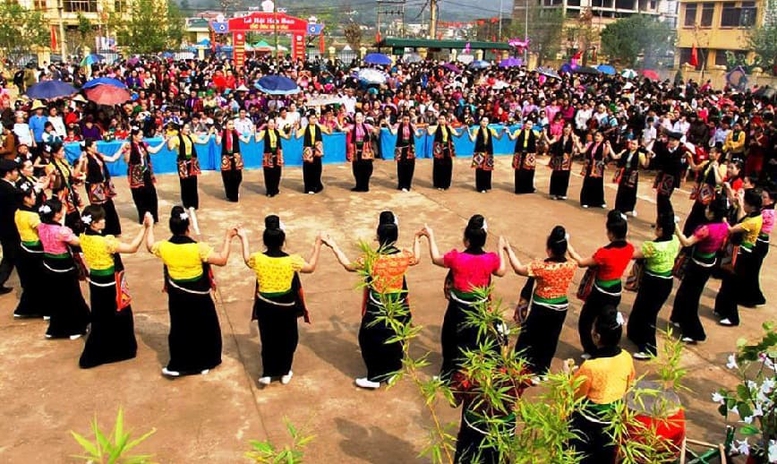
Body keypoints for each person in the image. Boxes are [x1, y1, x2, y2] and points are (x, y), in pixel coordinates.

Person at [323, 211, 422, 389]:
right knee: (395, 338)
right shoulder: (403, 257)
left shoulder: (371, 259)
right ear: (396, 237)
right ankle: (393, 371)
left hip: (377, 308)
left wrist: (333, 245)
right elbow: (417, 257)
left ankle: (375, 377)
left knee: (369, 340)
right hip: (397, 307)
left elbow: (348, 266)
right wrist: (418, 238)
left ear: (377, 237)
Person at [146, 206, 236, 377]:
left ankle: (181, 363)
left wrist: (148, 226)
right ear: (188, 227)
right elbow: (222, 260)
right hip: (198, 295)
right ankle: (205, 362)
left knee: (181, 328)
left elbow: (150, 246)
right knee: (203, 328)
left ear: (171, 227)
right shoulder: (198, 248)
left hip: (177, 296)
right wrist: (228, 238)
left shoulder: (164, 247)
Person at [418, 215, 507, 380]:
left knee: (451, 339)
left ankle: (448, 375)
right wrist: (501, 249)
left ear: (466, 240)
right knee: (476, 339)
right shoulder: (490, 259)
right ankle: (472, 374)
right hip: (479, 307)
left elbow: (436, 258)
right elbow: (501, 271)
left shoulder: (457, 258)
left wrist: (430, 237)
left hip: (458, 307)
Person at [237, 215, 322, 386]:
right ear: (283, 241)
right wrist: (317, 245)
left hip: (264, 305)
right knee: (288, 338)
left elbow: (247, 259)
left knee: (268, 338)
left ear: (264, 241)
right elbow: (310, 267)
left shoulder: (258, 259)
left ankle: (268, 372)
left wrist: (243, 237)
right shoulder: (291, 261)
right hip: (285, 306)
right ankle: (284, 370)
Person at [78, 206, 152, 368]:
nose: (104, 221)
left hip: (96, 282)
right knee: (120, 315)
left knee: (101, 316)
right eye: (100, 220)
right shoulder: (106, 242)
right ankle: (122, 349)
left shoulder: (83, 237)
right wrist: (145, 228)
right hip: (111, 283)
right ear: (94, 225)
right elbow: (132, 248)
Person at [564, 307, 635, 464]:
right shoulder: (626, 357)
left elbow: (576, 395)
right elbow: (629, 383)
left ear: (597, 336)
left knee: (580, 456)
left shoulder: (591, 366)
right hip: (613, 419)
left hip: (590, 421)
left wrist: (568, 376)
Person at [505, 226, 577, 376]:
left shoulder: (541, 267)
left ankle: (526, 368)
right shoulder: (571, 265)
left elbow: (518, 269)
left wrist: (508, 250)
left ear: (549, 249)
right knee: (550, 339)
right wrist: (567, 243)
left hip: (542, 308)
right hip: (561, 308)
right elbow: (572, 255)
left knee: (530, 338)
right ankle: (543, 370)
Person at [568, 210, 634, 357]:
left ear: (610, 233)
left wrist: (568, 246)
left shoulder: (604, 253)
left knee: (585, 321)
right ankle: (607, 350)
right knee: (606, 323)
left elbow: (581, 263)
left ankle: (591, 350)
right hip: (616, 291)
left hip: (601, 292)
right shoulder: (630, 249)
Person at [671, 197, 729, 343]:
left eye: (709, 208)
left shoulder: (706, 229)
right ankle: (677, 317)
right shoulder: (724, 225)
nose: (706, 210)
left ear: (713, 213)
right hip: (709, 263)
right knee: (686, 291)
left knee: (690, 297)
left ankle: (693, 332)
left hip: (697, 265)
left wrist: (675, 227)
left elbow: (686, 242)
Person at [626, 213, 680, 359]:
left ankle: (649, 349)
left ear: (661, 230)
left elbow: (634, 254)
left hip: (653, 282)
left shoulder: (652, 247)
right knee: (641, 309)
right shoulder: (674, 240)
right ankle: (635, 335)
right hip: (665, 281)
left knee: (648, 315)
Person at [37, 197, 91, 339]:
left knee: (56, 297)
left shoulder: (41, 227)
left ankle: (56, 329)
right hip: (64, 267)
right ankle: (75, 328)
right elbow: (78, 241)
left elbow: (55, 227)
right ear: (56, 214)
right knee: (71, 296)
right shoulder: (62, 231)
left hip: (48, 264)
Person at [713, 188, 763, 327]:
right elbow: (741, 219)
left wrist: (722, 218)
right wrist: (740, 205)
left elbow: (731, 229)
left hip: (742, 255)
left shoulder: (752, 221)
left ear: (751, 205)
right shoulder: (753, 215)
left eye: (745, 203)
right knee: (727, 281)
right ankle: (721, 309)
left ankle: (731, 317)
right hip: (736, 251)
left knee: (731, 285)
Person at [13, 182, 47, 317]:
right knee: (40, 282)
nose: (35, 197)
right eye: (32, 195)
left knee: (31, 283)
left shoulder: (18, 212)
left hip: (24, 248)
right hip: (35, 251)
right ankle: (43, 309)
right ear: (25, 199)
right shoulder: (32, 216)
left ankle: (26, 308)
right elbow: (44, 231)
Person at [120, 127, 166, 224]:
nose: (142, 137)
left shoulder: (143, 144)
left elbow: (153, 150)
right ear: (134, 136)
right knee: (140, 196)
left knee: (152, 194)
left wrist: (163, 142)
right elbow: (126, 160)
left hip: (145, 173)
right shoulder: (129, 146)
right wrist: (126, 150)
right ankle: (143, 217)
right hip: (136, 175)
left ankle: (153, 216)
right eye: (140, 135)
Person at [80, 138, 123, 236]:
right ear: (88, 148)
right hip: (95, 187)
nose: (96, 147)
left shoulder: (98, 155)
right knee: (99, 209)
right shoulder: (86, 159)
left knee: (110, 206)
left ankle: (114, 230)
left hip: (104, 185)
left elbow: (112, 159)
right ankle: (103, 231)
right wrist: (81, 160)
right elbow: (83, 172)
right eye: (94, 145)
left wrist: (121, 149)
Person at [683, 146, 724, 237]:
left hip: (711, 196)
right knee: (695, 213)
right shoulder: (706, 163)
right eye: (710, 152)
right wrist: (690, 158)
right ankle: (687, 234)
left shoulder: (721, 167)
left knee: (704, 216)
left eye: (713, 153)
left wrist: (715, 169)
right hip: (701, 194)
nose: (710, 154)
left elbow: (719, 182)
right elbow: (694, 168)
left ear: (718, 155)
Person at [45, 142, 84, 232]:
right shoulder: (50, 167)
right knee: (64, 218)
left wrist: (80, 162)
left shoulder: (65, 162)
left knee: (75, 216)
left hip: (70, 192)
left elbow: (73, 175)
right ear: (54, 153)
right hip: (61, 195)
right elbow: (54, 185)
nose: (63, 153)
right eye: (61, 151)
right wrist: (58, 176)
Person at [651, 131, 691, 218]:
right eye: (670, 140)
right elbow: (658, 162)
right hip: (663, 176)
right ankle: (660, 218)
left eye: (673, 140)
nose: (671, 142)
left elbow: (684, 166)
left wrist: (683, 176)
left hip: (672, 178)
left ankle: (668, 216)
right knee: (660, 197)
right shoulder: (664, 150)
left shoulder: (682, 152)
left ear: (678, 142)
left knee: (665, 198)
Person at [167, 123, 204, 210]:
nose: (188, 129)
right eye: (186, 128)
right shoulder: (176, 138)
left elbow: (203, 142)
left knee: (193, 182)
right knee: (185, 183)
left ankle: (194, 203)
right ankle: (187, 203)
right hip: (182, 163)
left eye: (188, 128)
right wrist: (168, 142)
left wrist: (210, 133)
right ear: (181, 129)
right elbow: (170, 148)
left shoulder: (191, 137)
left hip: (192, 162)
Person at [747, 188, 774, 307]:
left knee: (752, 271)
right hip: (759, 242)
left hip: (760, 243)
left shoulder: (767, 213)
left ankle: (754, 297)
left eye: (765, 197)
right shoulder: (764, 210)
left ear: (772, 200)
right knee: (750, 271)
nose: (762, 199)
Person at [341, 113, 379, 192]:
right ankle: (358, 186)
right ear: (354, 118)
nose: (358, 118)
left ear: (363, 118)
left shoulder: (367, 126)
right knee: (357, 169)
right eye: (357, 117)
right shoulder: (352, 127)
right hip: (356, 152)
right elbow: (343, 129)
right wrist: (337, 123)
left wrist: (378, 127)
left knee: (367, 168)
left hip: (366, 151)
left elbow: (376, 131)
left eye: (360, 117)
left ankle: (365, 185)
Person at [610, 139, 649, 217]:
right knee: (621, 191)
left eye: (634, 144)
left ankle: (628, 209)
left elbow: (645, 165)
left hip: (633, 175)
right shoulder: (624, 152)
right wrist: (609, 147)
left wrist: (648, 158)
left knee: (631, 192)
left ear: (638, 146)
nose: (632, 145)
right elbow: (615, 156)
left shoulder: (640, 154)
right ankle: (619, 209)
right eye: (631, 143)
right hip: (624, 173)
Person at [215, 121, 251, 202]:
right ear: (225, 125)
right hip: (226, 157)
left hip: (236, 157)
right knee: (227, 177)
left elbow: (246, 141)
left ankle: (235, 191)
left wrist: (252, 132)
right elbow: (218, 142)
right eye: (230, 124)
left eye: (232, 124)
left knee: (238, 177)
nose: (232, 126)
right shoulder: (223, 133)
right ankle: (231, 194)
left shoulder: (236, 133)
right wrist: (217, 134)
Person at [256, 119, 292, 197]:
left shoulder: (278, 131)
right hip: (268, 155)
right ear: (267, 124)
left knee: (277, 173)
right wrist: (254, 130)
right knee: (268, 173)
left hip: (277, 155)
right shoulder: (264, 132)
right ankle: (269, 190)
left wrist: (290, 129)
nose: (272, 124)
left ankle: (275, 189)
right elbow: (257, 140)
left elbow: (287, 137)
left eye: (273, 123)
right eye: (270, 123)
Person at [296, 113, 331, 194]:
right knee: (308, 169)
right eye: (312, 118)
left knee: (317, 169)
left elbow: (329, 132)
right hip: (308, 151)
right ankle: (309, 188)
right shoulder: (305, 128)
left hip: (317, 151)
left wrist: (329, 123)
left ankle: (317, 186)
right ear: (308, 119)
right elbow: (297, 136)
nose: (314, 120)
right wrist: (296, 127)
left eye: (315, 118)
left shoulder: (319, 127)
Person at [0, 158, 20, 295]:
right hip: (9, 228)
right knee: (12, 256)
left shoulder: (4, 186)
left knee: (9, 257)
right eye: (15, 171)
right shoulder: (7, 189)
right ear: (8, 173)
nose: (17, 173)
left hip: (4, 227)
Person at [468, 117, 503, 193]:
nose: (485, 123)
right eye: (483, 121)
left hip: (488, 151)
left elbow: (498, 138)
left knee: (487, 169)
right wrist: (468, 132)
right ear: (480, 122)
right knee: (480, 170)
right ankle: (480, 187)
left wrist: (502, 132)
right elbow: (472, 139)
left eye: (486, 121)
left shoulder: (491, 130)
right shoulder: (476, 130)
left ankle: (486, 186)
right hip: (479, 152)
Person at [548, 123, 582, 200]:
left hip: (567, 159)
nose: (567, 129)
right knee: (556, 175)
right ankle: (554, 193)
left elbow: (577, 149)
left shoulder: (574, 138)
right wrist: (544, 134)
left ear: (571, 130)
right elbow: (550, 142)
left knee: (565, 176)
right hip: (558, 158)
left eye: (569, 128)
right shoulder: (559, 136)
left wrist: (576, 142)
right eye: (566, 127)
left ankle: (562, 193)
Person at [389, 113, 422, 192]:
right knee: (401, 166)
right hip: (401, 149)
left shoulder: (412, 126)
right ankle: (401, 184)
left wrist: (421, 134)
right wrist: (388, 126)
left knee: (410, 166)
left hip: (410, 148)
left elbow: (417, 135)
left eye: (407, 120)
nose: (406, 121)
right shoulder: (398, 126)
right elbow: (393, 133)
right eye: (404, 119)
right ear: (402, 119)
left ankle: (407, 185)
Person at [428, 114, 461, 190]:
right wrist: (427, 128)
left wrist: (464, 130)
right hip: (439, 149)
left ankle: (446, 184)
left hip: (447, 149)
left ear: (446, 120)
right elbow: (430, 134)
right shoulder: (436, 127)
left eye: (443, 119)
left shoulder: (449, 127)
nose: (441, 120)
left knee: (448, 166)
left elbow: (457, 135)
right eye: (440, 119)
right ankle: (438, 184)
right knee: (439, 166)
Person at [579, 131, 611, 208]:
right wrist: (577, 142)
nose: (596, 137)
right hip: (589, 165)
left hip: (598, 167)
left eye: (598, 136)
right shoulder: (590, 144)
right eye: (596, 136)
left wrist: (607, 146)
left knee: (598, 183)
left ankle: (599, 201)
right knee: (588, 182)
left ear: (602, 137)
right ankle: (585, 201)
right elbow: (582, 151)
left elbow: (604, 154)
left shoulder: (604, 145)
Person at [507, 120, 540, 194]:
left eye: (530, 124)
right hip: (520, 152)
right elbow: (512, 138)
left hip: (530, 153)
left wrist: (544, 133)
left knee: (529, 171)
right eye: (527, 124)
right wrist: (508, 133)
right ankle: (519, 189)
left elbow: (539, 138)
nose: (529, 125)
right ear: (525, 124)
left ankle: (529, 188)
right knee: (519, 171)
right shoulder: (518, 131)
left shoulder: (535, 132)